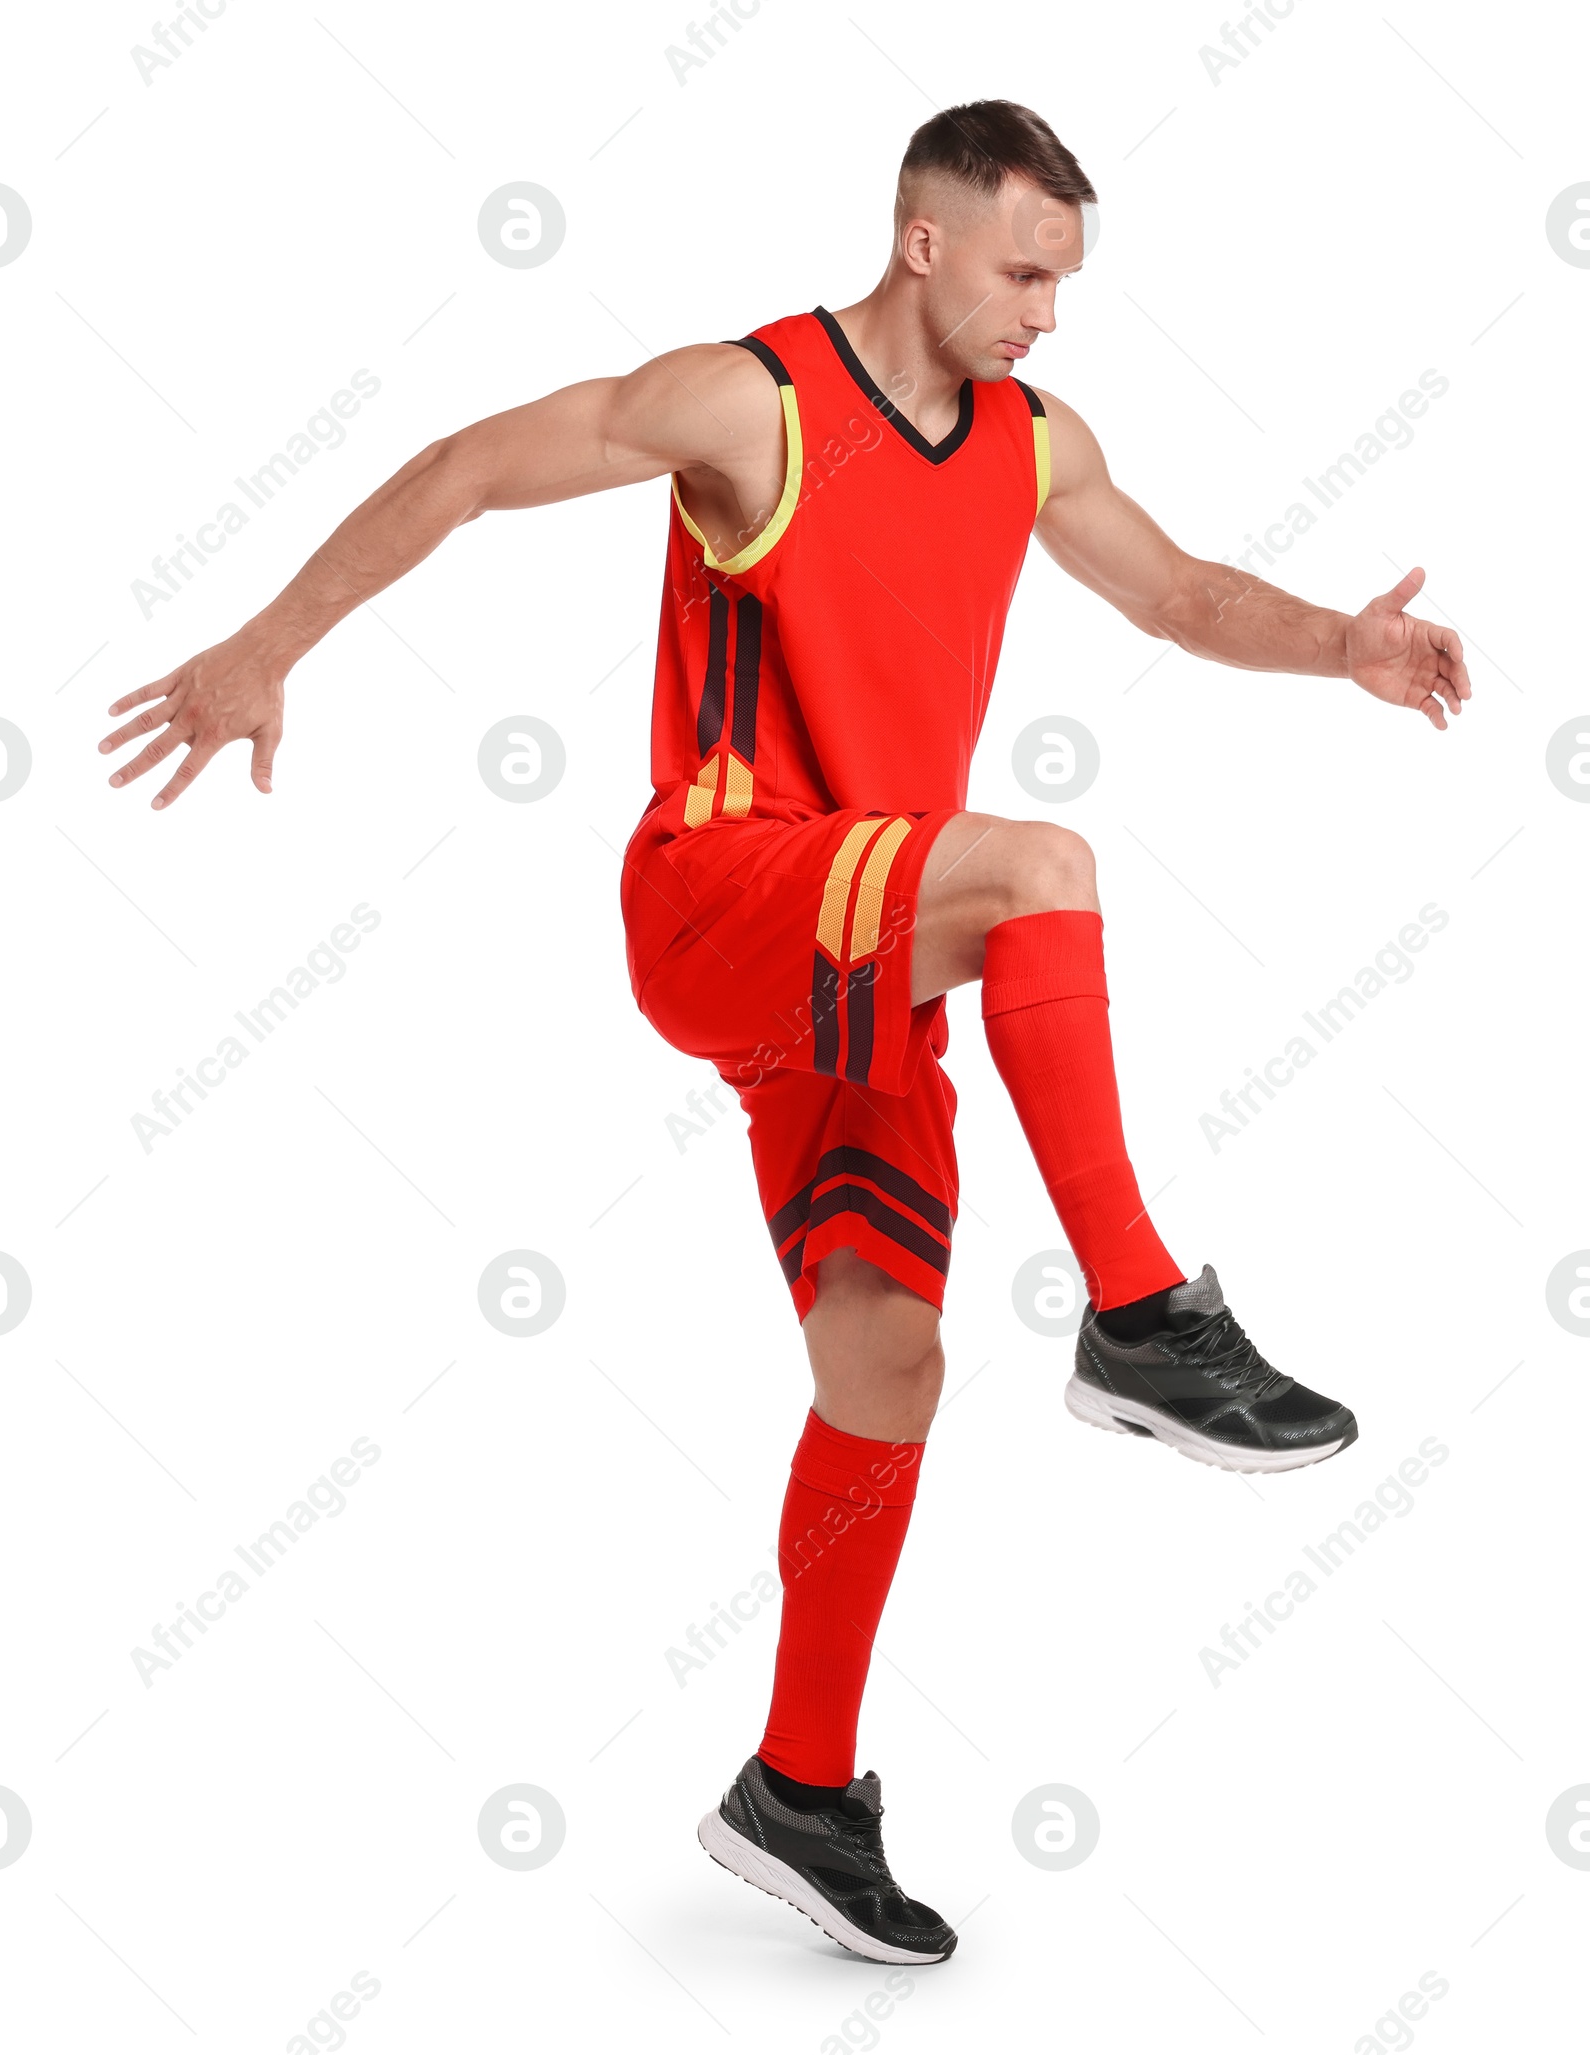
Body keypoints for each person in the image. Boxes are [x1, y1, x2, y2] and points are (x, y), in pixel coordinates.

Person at [100, 99, 1472, 1967]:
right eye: (1025, 271)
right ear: (925, 242)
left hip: (863, 968)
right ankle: (1147, 1311)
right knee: (1043, 867)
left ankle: (798, 1791)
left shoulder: (1036, 440)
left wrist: (1345, 647)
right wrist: (269, 641)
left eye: (1067, 279)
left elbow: (1174, 590)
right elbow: (472, 466)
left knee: (887, 1363)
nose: (1050, 313)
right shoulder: (753, 402)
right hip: (728, 891)